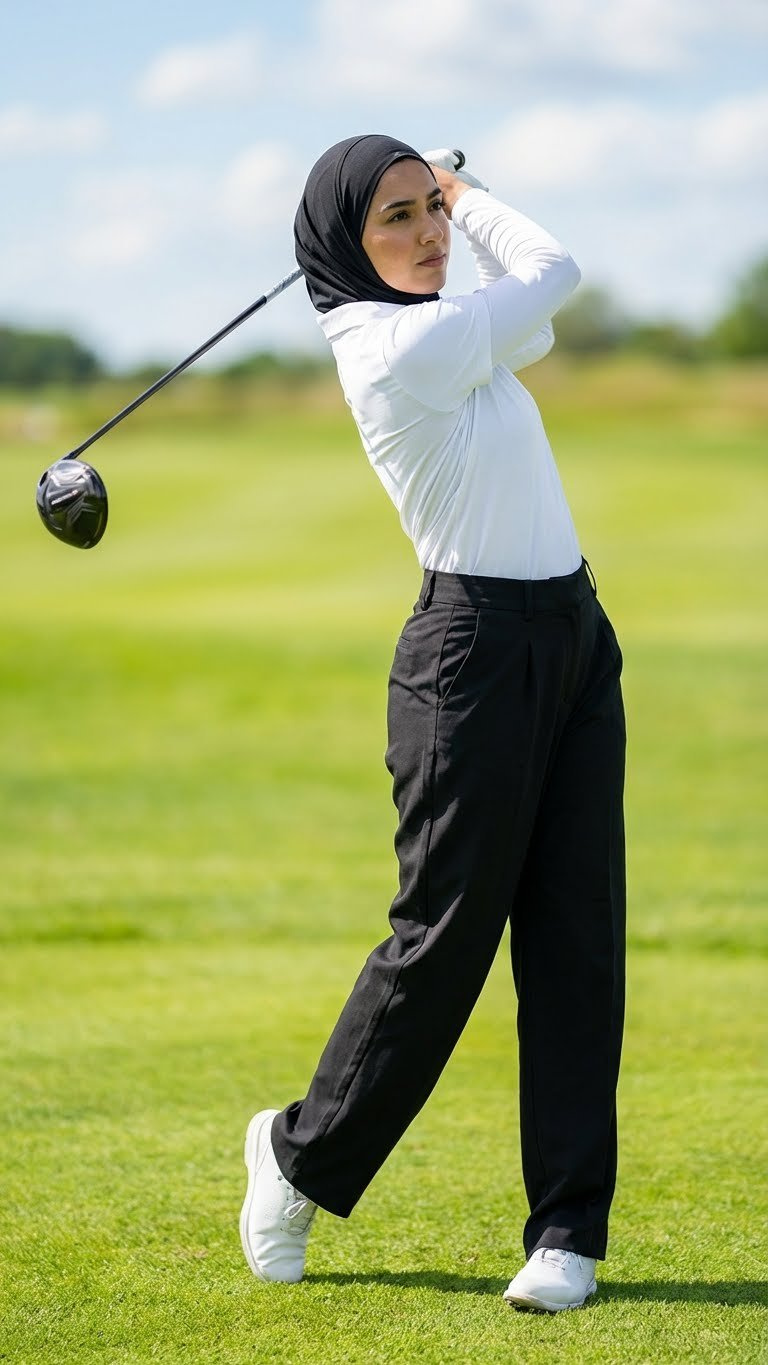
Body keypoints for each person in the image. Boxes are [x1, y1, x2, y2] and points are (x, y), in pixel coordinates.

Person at [239, 135, 626, 1314]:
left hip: (570, 635)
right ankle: (298, 1154)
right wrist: (471, 188)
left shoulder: (452, 329)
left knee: (577, 940)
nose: (430, 235)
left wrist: (453, 211)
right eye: (397, 219)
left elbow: (535, 314)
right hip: (469, 657)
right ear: (343, 247)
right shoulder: (394, 344)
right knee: (445, 938)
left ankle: (567, 1233)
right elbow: (554, 271)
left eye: (432, 211)